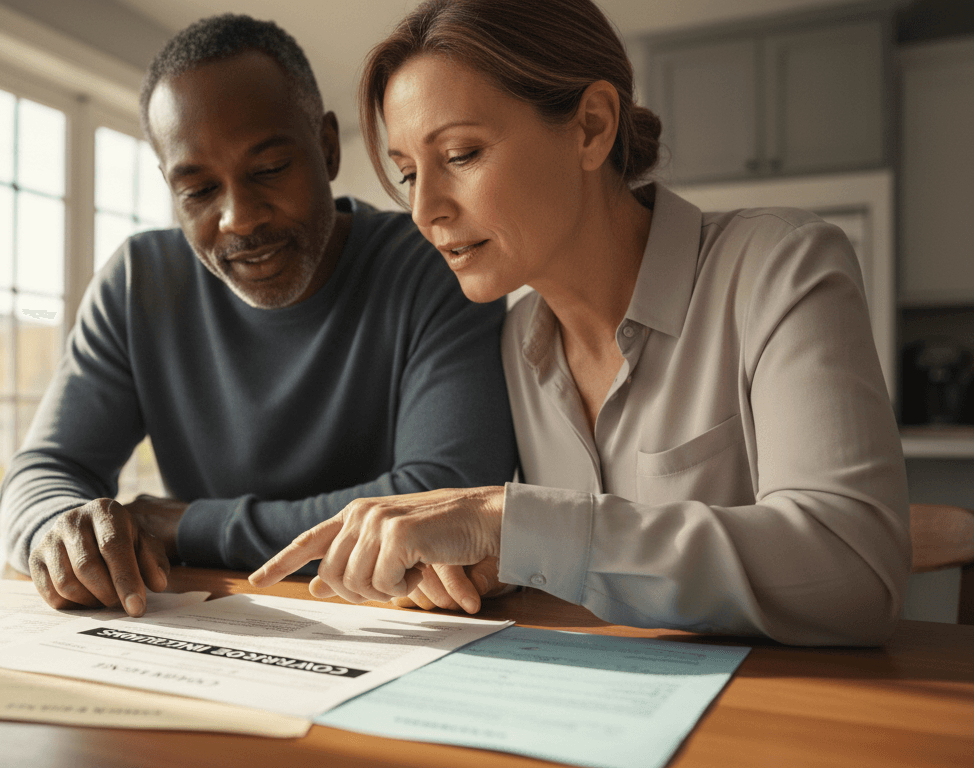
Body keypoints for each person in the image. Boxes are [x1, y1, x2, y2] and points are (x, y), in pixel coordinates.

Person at [251, 0, 910, 646]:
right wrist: (498, 565)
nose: (426, 211)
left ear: (591, 126)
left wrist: (511, 525)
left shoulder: (780, 267)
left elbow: (854, 571)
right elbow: (580, 567)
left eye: (460, 155)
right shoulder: (518, 341)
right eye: (407, 173)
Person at [0, 13, 518, 618]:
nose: (238, 218)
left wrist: (188, 525)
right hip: (211, 623)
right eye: (198, 190)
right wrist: (59, 530)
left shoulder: (434, 262)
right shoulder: (140, 280)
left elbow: (443, 499)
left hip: (395, 621)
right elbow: (46, 470)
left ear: (326, 148)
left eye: (269, 170)